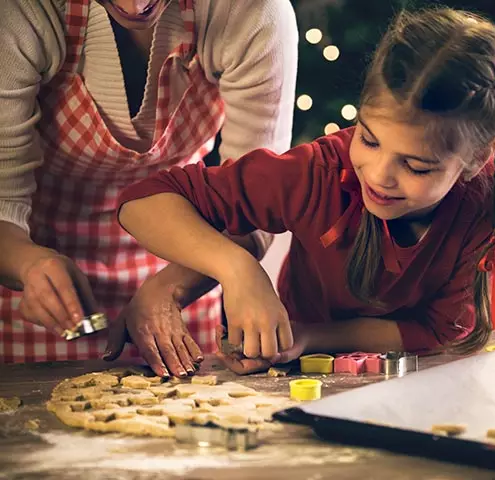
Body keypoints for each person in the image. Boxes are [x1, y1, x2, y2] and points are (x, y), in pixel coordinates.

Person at [117, 7, 495, 376]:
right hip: (299, 382)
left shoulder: (489, 203)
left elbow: (439, 329)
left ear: (479, 156)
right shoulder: (317, 174)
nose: (378, 175)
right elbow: (144, 200)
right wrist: (236, 266)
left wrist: (309, 337)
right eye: (369, 140)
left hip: (423, 381)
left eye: (415, 165)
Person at [0, 0, 298, 377]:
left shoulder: (250, 11)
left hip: (190, 266)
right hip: (35, 287)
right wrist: (29, 265)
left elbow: (256, 205)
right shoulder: (19, 11)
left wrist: (175, 286)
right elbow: (2, 203)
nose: (136, 5)